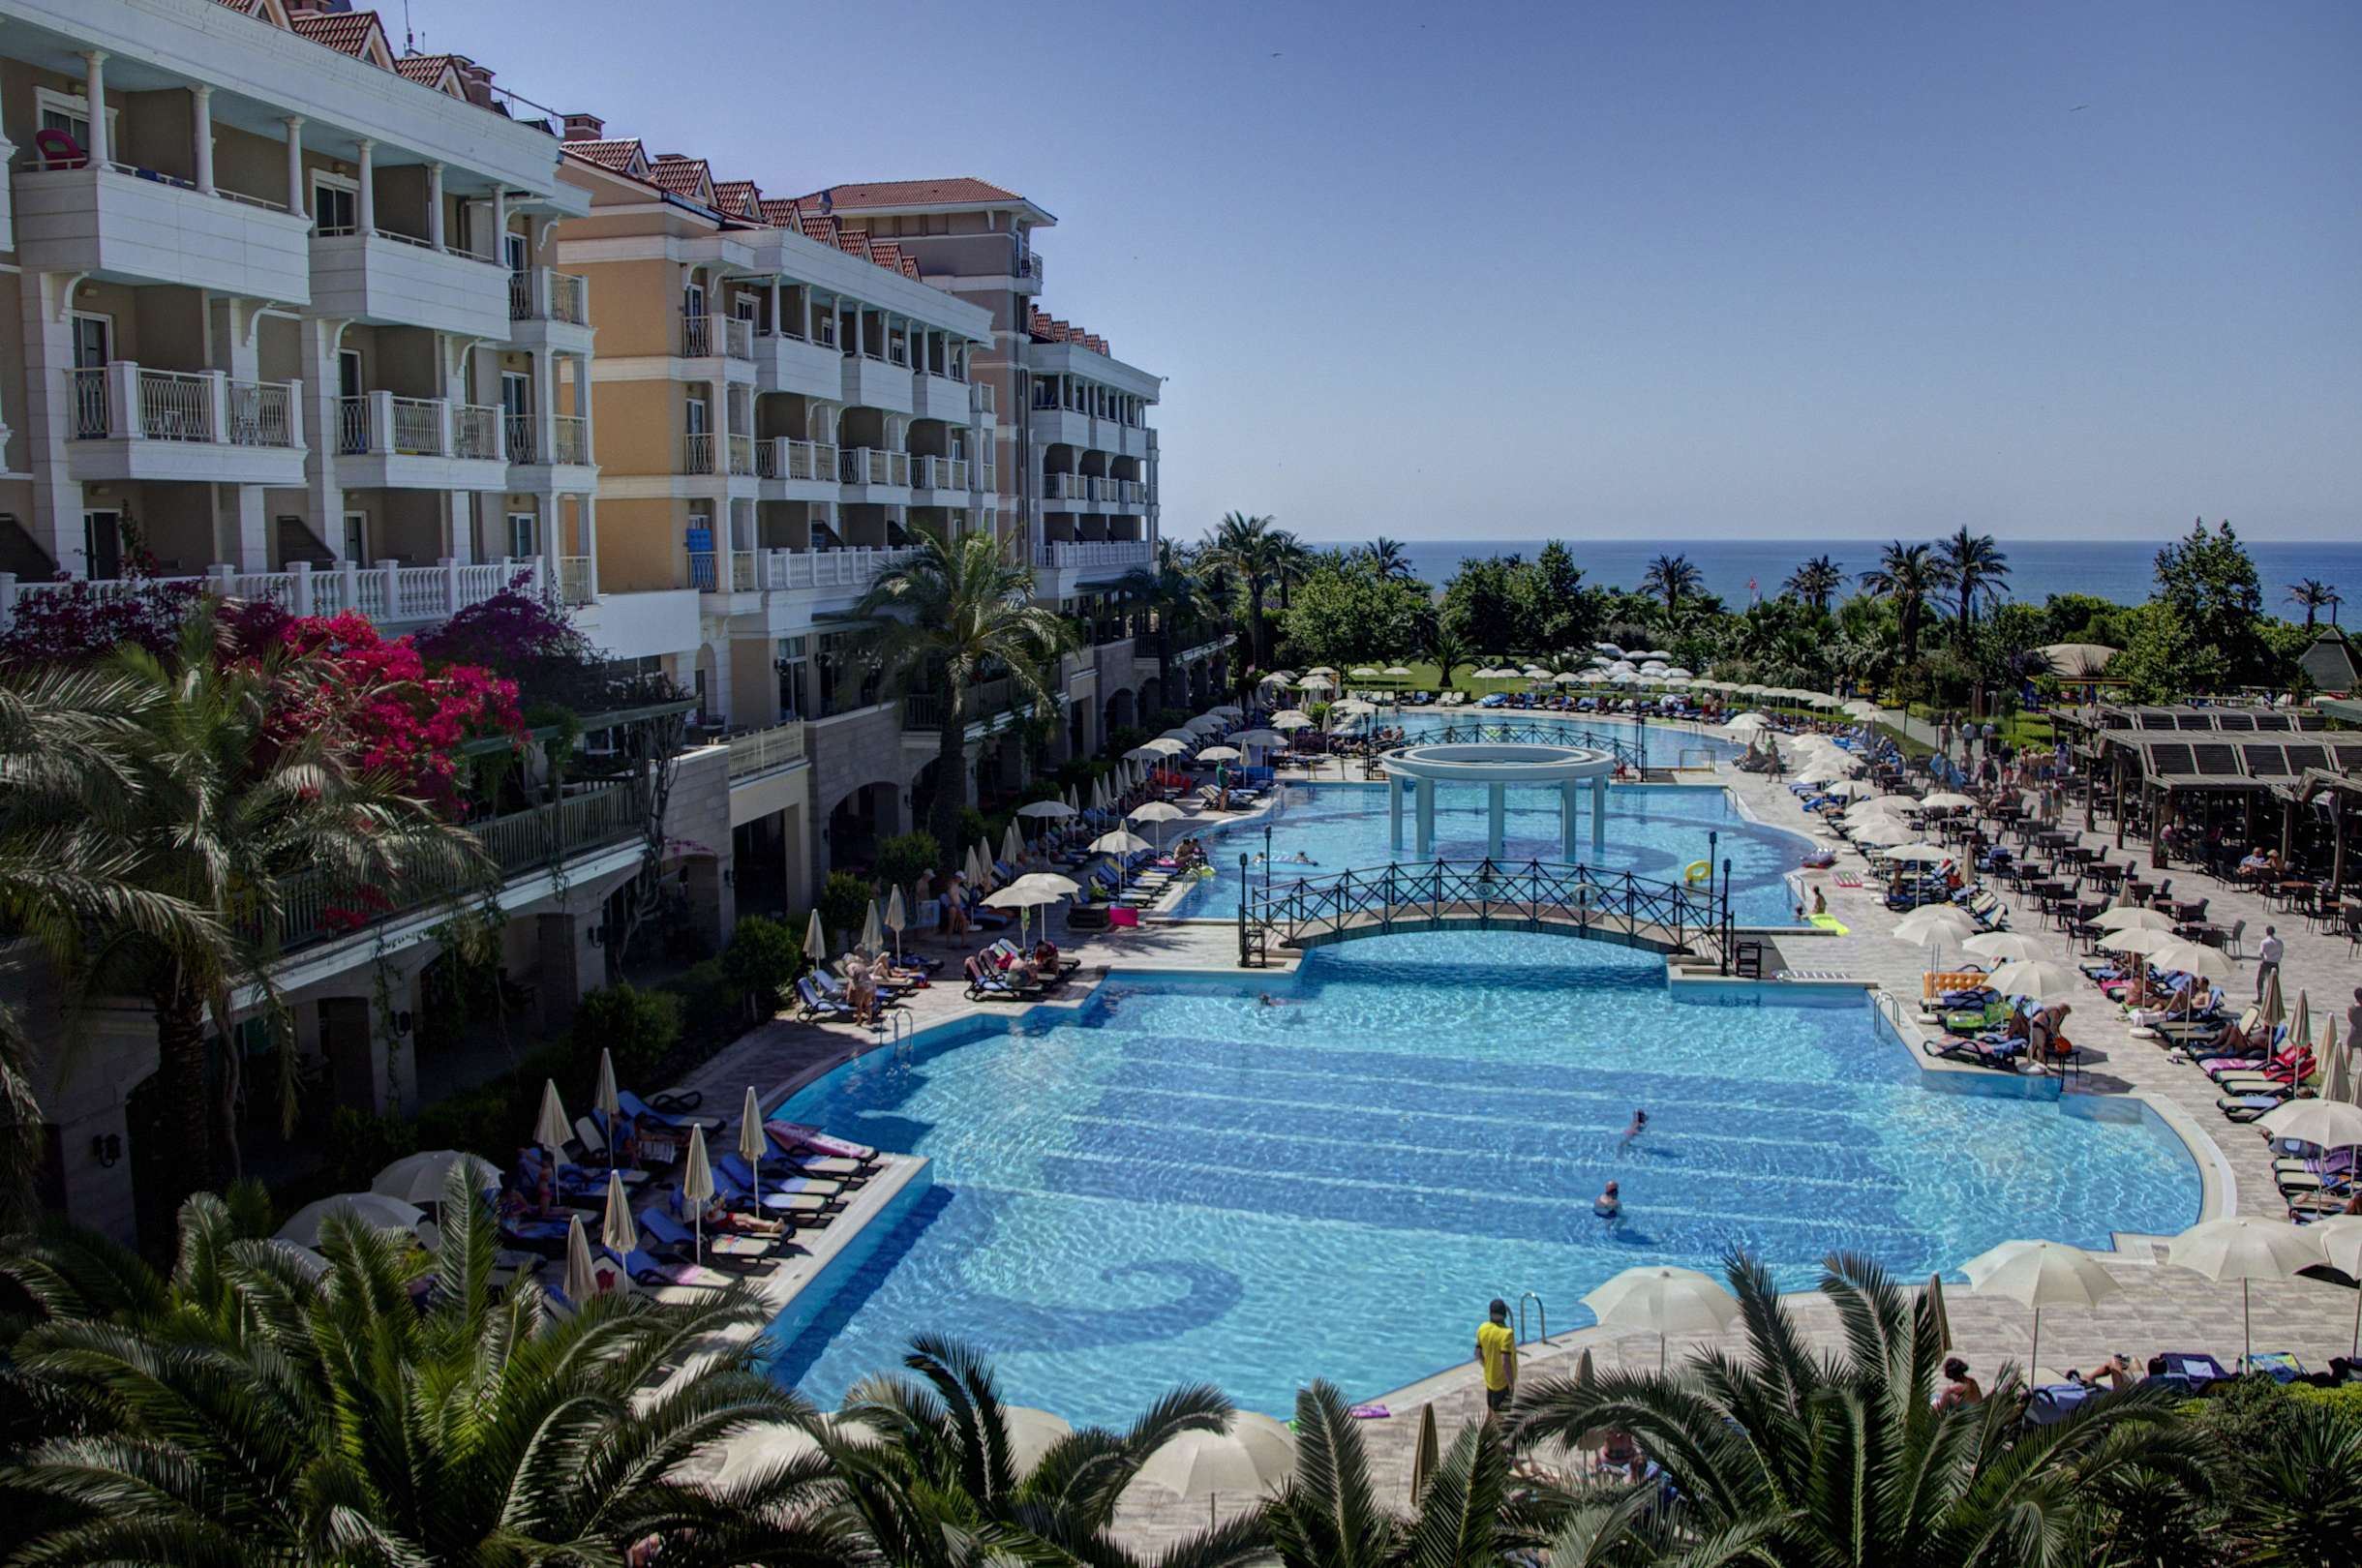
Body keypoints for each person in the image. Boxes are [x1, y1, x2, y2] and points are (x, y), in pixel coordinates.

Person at [1474, 1300, 1518, 1416]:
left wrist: (1487, 1366)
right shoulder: (1507, 1334)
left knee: (1490, 1413)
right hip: (1502, 1383)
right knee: (1501, 1418)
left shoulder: (1482, 1328)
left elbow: (1477, 1353)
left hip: (1490, 1380)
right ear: (1504, 1315)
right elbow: (1505, 1361)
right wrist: (1511, 1383)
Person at [2256, 925, 2283, 1001]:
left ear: (2266, 932)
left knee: (2260, 981)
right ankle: (2272, 999)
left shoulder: (2264, 942)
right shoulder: (2280, 942)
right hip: (2275, 964)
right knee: (2273, 983)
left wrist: (2263, 958)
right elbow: (2281, 953)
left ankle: (2260, 997)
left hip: (2266, 963)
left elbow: (2261, 953)